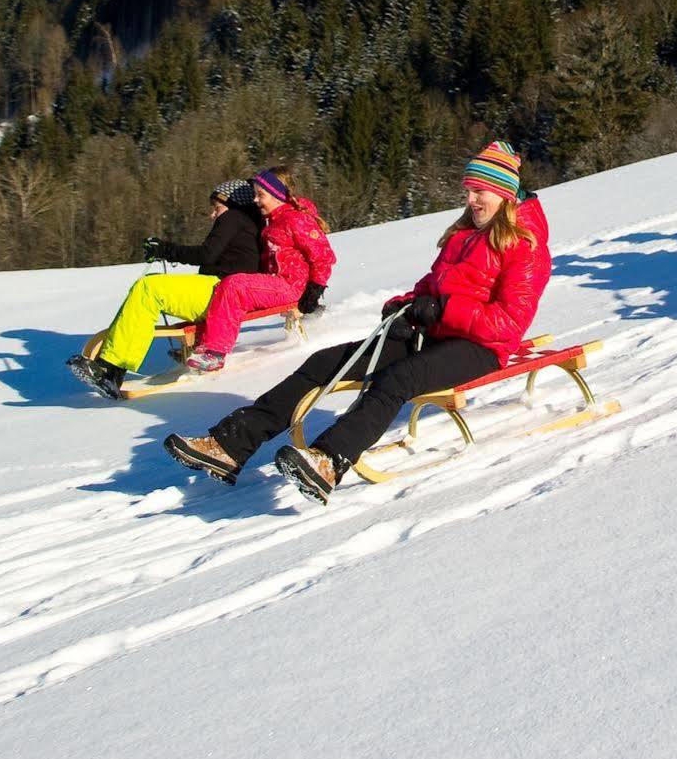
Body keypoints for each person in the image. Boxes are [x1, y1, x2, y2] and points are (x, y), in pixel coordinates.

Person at [163, 142, 549, 505]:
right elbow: (433, 284)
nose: (470, 199)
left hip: (481, 348)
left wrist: (443, 309)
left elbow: (509, 323)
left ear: (505, 192)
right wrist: (407, 305)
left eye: (480, 190)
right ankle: (231, 445)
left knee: (398, 379)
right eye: (468, 189)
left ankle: (330, 460)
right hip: (434, 331)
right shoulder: (464, 234)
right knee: (325, 362)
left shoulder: (525, 244)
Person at [67, 180, 266, 399]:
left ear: (232, 203)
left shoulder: (233, 217)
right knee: (150, 290)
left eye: (216, 208)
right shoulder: (247, 222)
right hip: (226, 292)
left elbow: (206, 254)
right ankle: (112, 367)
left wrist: (165, 249)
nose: (213, 215)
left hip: (219, 291)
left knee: (149, 288)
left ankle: (111, 370)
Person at [179, 167, 336, 374]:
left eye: (260, 195)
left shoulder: (295, 220)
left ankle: (215, 353)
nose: (255, 200)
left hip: (291, 286)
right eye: (254, 194)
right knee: (225, 285)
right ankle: (203, 344)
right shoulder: (272, 220)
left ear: (278, 196)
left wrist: (314, 289)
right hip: (276, 283)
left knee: (234, 286)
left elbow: (323, 256)